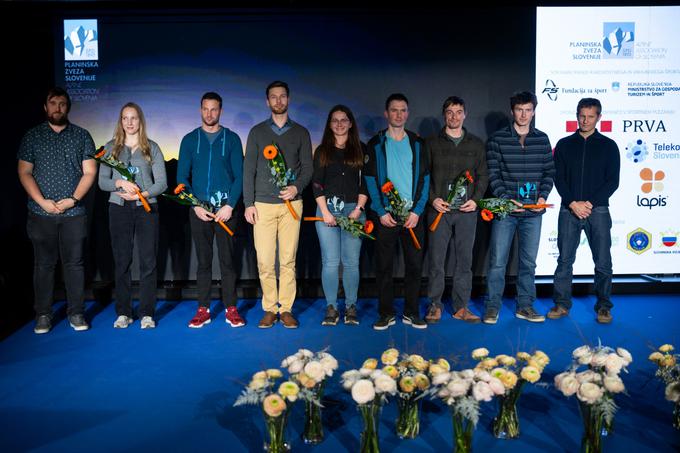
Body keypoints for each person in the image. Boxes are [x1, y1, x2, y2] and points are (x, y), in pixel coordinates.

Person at [17, 87, 97, 334]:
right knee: (44, 265)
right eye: (53, 103)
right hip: (41, 213)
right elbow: (24, 172)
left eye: (62, 104)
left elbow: (90, 172)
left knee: (74, 264)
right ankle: (43, 314)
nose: (58, 108)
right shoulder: (32, 137)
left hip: (73, 213)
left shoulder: (82, 136)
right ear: (45, 107)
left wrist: (73, 199)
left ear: (68, 108)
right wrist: (42, 202)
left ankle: (76, 313)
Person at [243, 81, 313, 329]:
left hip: (291, 206)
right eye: (274, 97)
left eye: (283, 96)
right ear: (267, 101)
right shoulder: (257, 132)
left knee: (287, 260)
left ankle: (286, 309)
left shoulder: (301, 132)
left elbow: (308, 168)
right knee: (264, 260)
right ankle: (269, 308)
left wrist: (296, 187)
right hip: (262, 205)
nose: (278, 101)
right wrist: (248, 203)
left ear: (288, 99)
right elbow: (248, 169)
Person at [483, 91, 555, 324]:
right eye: (519, 109)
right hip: (506, 211)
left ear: (534, 111)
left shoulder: (542, 139)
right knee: (497, 261)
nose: (523, 114)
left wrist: (543, 197)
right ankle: (492, 307)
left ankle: (525, 306)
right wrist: (505, 198)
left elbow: (549, 173)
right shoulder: (497, 139)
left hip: (534, 213)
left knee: (528, 262)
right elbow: (492, 174)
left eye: (528, 110)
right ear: (512, 111)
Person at [548, 98, 620, 324]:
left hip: (597, 210)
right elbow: (557, 177)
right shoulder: (564, 144)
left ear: (599, 117)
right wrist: (572, 203)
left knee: (603, 261)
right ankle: (561, 304)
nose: (585, 120)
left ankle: (604, 307)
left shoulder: (609, 145)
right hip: (568, 210)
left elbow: (612, 181)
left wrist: (589, 203)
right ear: (576, 115)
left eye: (590, 116)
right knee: (564, 260)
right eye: (582, 115)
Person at [177, 92, 245, 328]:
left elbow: (240, 177)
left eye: (214, 109)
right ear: (200, 110)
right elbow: (181, 178)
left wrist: (230, 206)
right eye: (205, 109)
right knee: (203, 262)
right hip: (199, 211)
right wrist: (194, 204)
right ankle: (203, 309)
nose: (209, 113)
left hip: (226, 211)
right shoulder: (189, 140)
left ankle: (231, 309)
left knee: (227, 262)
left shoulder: (232, 139)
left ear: (221, 111)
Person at [98, 102, 167, 329]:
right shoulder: (111, 148)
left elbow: (162, 184)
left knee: (148, 261)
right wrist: (119, 182)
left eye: (134, 118)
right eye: (125, 118)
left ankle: (147, 313)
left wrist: (140, 194)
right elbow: (102, 182)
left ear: (140, 121)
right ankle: (124, 312)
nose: (129, 122)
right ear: (121, 121)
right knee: (122, 261)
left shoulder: (152, 148)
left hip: (147, 209)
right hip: (118, 208)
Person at [364, 93, 430, 330]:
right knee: (383, 266)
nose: (398, 114)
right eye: (394, 110)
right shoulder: (376, 143)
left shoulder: (418, 144)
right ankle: (386, 313)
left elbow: (425, 179)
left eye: (403, 110)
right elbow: (370, 179)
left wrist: (417, 211)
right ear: (386, 113)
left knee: (414, 265)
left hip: (412, 216)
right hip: (386, 216)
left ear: (407, 113)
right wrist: (380, 211)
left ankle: (412, 312)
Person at [424, 96, 488, 324]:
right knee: (436, 261)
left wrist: (476, 200)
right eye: (450, 112)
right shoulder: (431, 143)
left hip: (466, 212)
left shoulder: (476, 144)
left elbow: (483, 176)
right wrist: (432, 200)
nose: (454, 116)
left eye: (458, 112)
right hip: (439, 211)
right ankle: (435, 305)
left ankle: (461, 306)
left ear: (465, 114)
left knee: (464, 261)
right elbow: (423, 177)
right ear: (444, 114)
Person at [311, 105, 368, 326]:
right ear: (329, 124)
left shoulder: (361, 149)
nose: (339, 124)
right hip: (327, 211)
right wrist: (325, 212)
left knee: (352, 262)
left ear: (351, 123)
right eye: (335, 120)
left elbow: (366, 184)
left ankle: (351, 307)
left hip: (355, 210)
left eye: (344, 120)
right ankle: (332, 307)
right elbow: (317, 184)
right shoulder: (322, 151)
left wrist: (358, 210)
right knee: (330, 262)